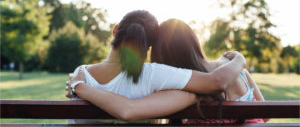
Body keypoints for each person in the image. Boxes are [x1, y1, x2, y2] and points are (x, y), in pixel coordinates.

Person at [65, 10, 246, 122]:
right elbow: (215, 82)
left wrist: (79, 87)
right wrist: (239, 59)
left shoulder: (80, 73)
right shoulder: (154, 74)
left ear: (116, 30)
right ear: (148, 46)